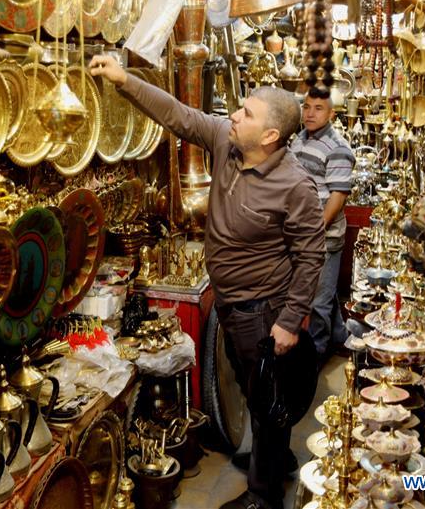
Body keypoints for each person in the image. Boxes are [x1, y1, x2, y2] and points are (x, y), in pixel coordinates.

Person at [89, 55, 326, 509]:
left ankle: (263, 495)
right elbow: (179, 114)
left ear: (271, 136)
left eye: (247, 113)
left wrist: (290, 321)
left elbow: (310, 255)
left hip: (264, 311)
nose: (234, 115)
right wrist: (124, 81)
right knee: (258, 394)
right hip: (232, 306)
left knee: (264, 401)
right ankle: (273, 457)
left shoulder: (294, 186)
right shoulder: (226, 140)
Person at [289, 91, 355, 362]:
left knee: (318, 304)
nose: (310, 113)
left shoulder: (338, 147)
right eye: (307, 107)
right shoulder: (299, 140)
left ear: (332, 115)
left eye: (318, 108)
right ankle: (343, 339)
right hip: (301, 235)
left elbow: (338, 197)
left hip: (323, 239)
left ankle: (313, 363)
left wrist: (316, 229)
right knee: (322, 296)